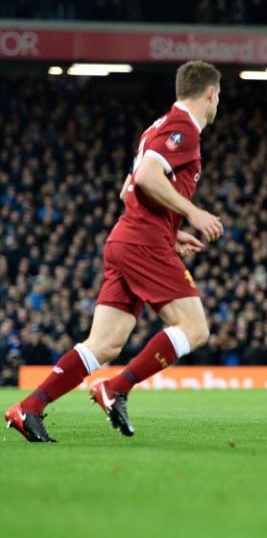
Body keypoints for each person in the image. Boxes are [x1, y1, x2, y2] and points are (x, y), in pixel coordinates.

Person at [5, 60, 224, 442]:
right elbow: (144, 178)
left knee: (105, 344)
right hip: (143, 241)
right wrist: (192, 213)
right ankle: (117, 387)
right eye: (219, 95)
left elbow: (128, 192)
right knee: (194, 328)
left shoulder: (155, 128)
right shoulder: (182, 129)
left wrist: (173, 235)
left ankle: (29, 408)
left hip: (128, 238)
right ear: (210, 93)